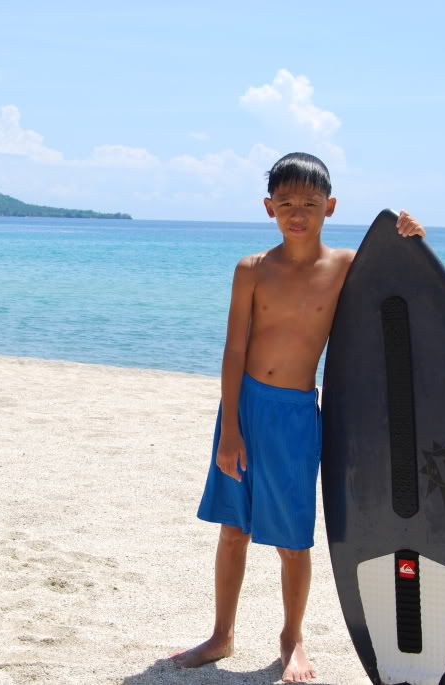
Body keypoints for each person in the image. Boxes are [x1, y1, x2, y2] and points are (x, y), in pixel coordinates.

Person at [170, 152, 425, 682]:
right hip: (243, 408)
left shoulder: (347, 267)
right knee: (233, 529)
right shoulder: (252, 270)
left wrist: (412, 240)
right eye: (285, 203)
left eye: (310, 203)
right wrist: (231, 432)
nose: (298, 213)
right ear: (269, 208)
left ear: (330, 207)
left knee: (292, 541)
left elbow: (405, 295)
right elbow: (233, 351)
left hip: (295, 416)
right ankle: (222, 635)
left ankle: (291, 640)